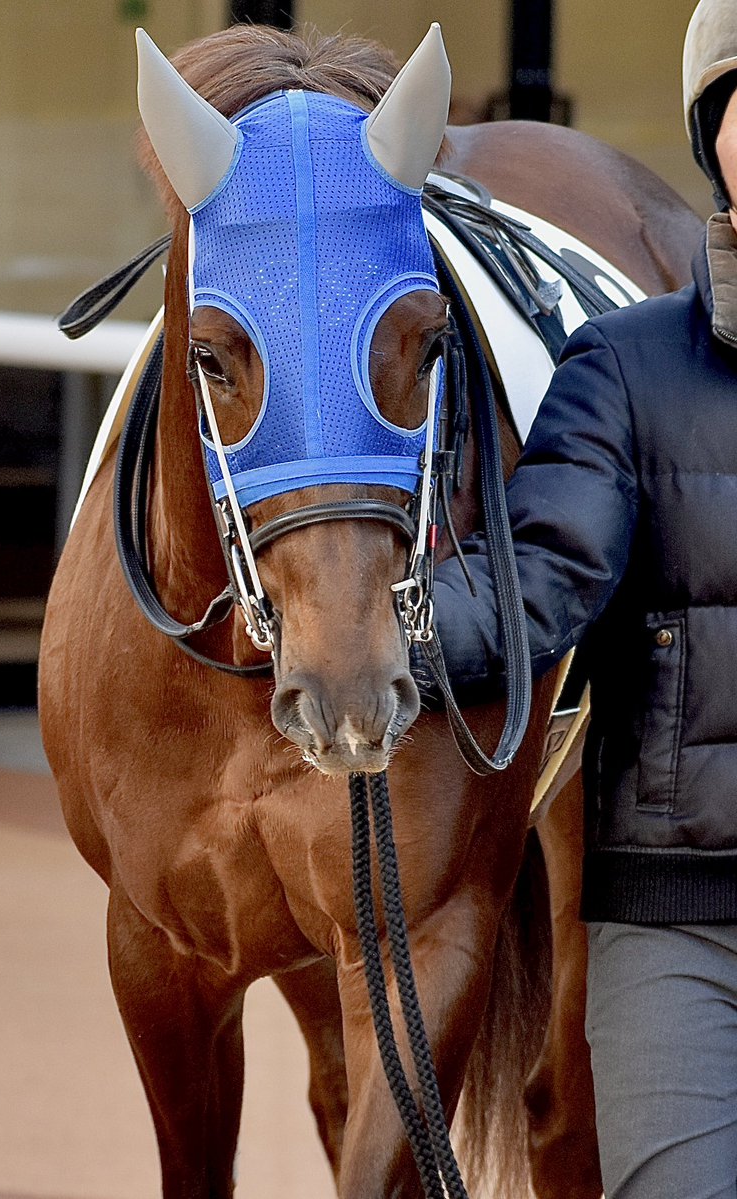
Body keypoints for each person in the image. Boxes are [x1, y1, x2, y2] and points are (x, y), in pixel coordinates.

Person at [433, 1, 737, 1194]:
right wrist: (399, 631)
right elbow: (543, 578)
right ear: (713, 132)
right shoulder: (622, 362)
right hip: (674, 924)